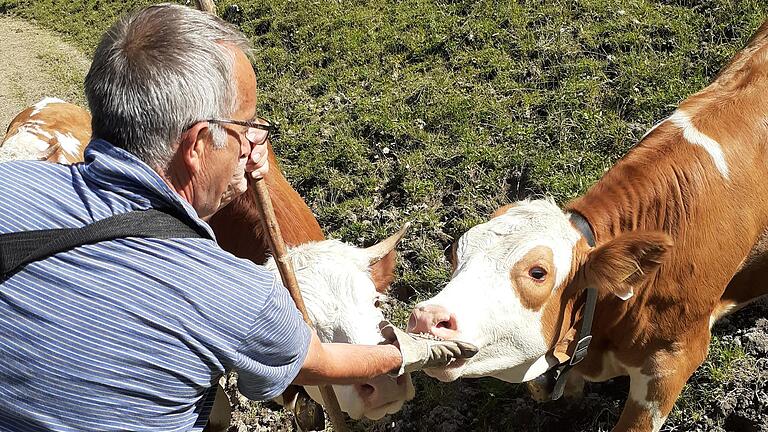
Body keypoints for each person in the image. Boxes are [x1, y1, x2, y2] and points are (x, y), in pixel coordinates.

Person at [0, 4, 475, 431]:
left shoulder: (10, 184)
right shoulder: (231, 293)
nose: (258, 141)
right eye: (247, 125)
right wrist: (403, 353)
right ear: (199, 145)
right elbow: (320, 362)